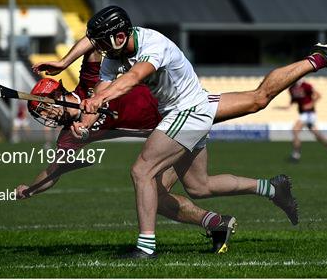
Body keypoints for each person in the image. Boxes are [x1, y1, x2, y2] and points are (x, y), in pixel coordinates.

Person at [34, 5, 327, 258]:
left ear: (120, 37)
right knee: (200, 184)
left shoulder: (152, 44)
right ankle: (273, 187)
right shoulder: (111, 57)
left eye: (104, 42)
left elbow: (133, 78)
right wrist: (82, 124)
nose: (101, 49)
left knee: (141, 171)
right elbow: (98, 92)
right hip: (190, 105)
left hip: (187, 111)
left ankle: (145, 248)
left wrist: (101, 97)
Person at [17, 51, 245, 253]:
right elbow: (54, 171)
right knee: (195, 187)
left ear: (56, 95)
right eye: (42, 113)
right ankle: (260, 196)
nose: (48, 116)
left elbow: (94, 43)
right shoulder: (69, 135)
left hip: (181, 111)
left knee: (185, 188)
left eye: (45, 108)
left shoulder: (88, 81)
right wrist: (31, 189)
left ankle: (207, 226)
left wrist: (65, 60)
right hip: (168, 134)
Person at [284, 79, 327, 162]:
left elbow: (318, 95)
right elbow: (293, 102)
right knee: (318, 135)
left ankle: (296, 155)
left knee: (295, 130)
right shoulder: (291, 89)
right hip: (303, 114)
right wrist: (284, 107)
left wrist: (311, 104)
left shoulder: (306, 85)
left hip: (308, 114)